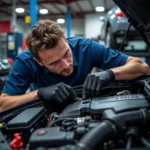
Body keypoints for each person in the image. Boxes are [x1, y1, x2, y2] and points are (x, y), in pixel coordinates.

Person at [0, 19, 149, 112]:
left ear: (66, 41)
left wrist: (109, 73)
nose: (65, 65)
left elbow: (141, 66)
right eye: (54, 63)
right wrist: (39, 94)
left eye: (66, 54)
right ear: (39, 62)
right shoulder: (25, 61)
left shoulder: (86, 48)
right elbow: (3, 104)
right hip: (47, 112)